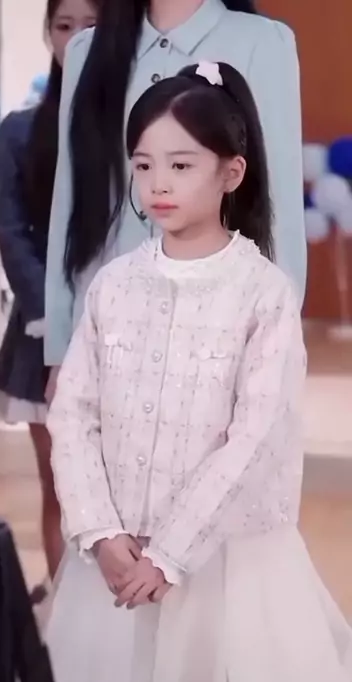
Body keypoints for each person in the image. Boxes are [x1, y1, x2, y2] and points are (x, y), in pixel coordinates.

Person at [45, 62, 352, 682]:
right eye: (144, 164)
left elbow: (254, 436)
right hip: (116, 559)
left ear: (230, 173)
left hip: (222, 564)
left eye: (181, 165)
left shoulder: (262, 294)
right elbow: (73, 413)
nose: (159, 183)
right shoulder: (114, 286)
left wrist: (172, 552)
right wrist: (101, 533)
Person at [43, 0, 306, 392]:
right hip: (105, 332)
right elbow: (71, 203)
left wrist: (277, 349)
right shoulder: (87, 51)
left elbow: (278, 206)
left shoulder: (264, 42)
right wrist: (60, 351)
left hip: (220, 333)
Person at [0, 0, 100, 582]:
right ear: (47, 33)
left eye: (92, 25)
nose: (76, 38)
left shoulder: (142, 123)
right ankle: (62, 608)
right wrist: (57, 322)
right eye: (64, 25)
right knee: (61, 486)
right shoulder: (20, 131)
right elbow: (10, 234)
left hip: (129, 335)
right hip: (42, 336)